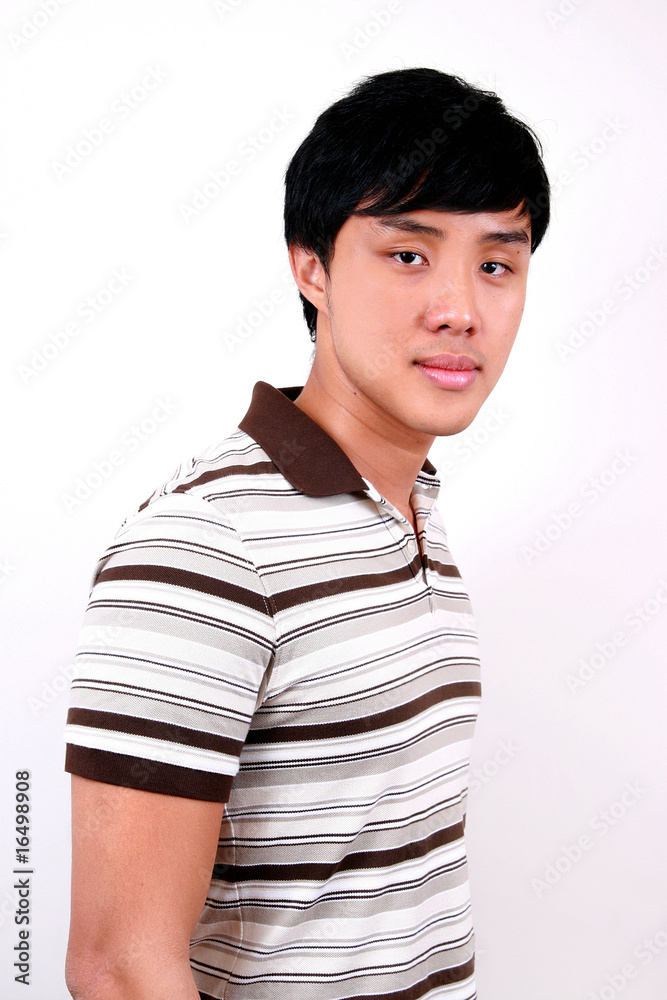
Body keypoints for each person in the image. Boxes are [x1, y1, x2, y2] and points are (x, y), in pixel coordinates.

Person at [64, 67, 550, 1000]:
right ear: (311, 267)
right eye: (407, 254)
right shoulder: (205, 547)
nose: (460, 307)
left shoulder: (409, 505)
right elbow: (120, 968)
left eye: (496, 264)